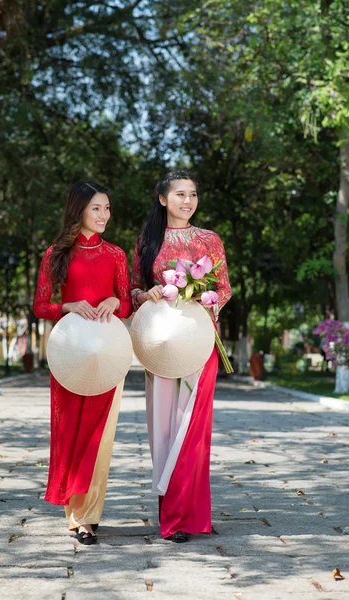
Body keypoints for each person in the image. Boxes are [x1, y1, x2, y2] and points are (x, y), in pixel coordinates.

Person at [131, 171, 232, 543]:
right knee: (165, 428)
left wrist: (205, 301)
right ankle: (172, 517)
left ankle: (192, 516)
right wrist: (148, 294)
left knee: (194, 429)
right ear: (163, 199)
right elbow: (131, 290)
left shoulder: (210, 240)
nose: (187, 201)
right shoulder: (148, 241)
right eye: (179, 194)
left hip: (200, 343)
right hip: (161, 343)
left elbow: (223, 289)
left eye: (192, 194)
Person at [34, 181, 132, 545]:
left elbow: (128, 302)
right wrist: (67, 307)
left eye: (107, 208)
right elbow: (40, 306)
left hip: (107, 355)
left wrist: (114, 303)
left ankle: (87, 516)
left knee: (98, 439)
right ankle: (74, 516)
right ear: (78, 211)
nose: (104, 215)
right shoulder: (55, 254)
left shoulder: (116, 255)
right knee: (70, 435)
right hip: (70, 355)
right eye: (96, 208)